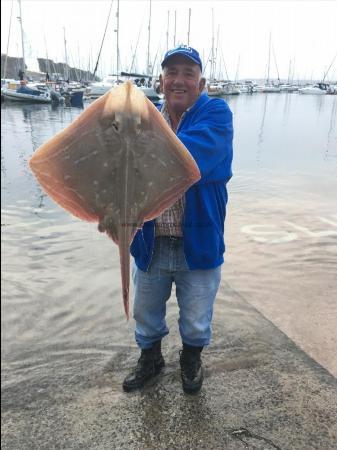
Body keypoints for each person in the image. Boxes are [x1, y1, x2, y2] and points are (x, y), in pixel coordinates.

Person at [123, 45, 233, 394]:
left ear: (201, 81)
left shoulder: (215, 113)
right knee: (145, 312)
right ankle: (151, 358)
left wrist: (134, 141)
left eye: (189, 72)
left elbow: (194, 155)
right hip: (151, 241)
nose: (179, 80)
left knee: (197, 317)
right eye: (172, 72)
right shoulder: (145, 118)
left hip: (197, 242)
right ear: (161, 81)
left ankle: (191, 358)